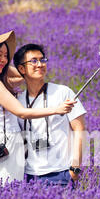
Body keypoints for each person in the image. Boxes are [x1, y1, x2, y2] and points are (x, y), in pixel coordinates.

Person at [0, 31, 75, 185]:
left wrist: (3, 63)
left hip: (3, 146)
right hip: (6, 147)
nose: (4, 60)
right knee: (7, 194)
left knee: (8, 194)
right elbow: (22, 112)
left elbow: (20, 76)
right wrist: (56, 109)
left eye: (6, 56)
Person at [13, 44, 87, 187]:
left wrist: (75, 168)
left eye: (43, 60)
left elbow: (80, 130)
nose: (40, 64)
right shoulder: (18, 101)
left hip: (61, 173)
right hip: (28, 175)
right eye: (33, 61)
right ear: (21, 69)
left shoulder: (63, 92)